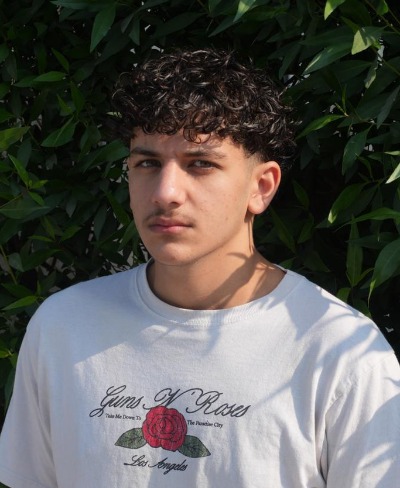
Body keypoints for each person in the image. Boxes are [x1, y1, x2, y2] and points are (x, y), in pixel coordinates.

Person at [0, 48, 399, 488]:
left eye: (201, 164)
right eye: (147, 163)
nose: (165, 192)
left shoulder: (340, 353)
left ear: (261, 187)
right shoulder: (63, 326)